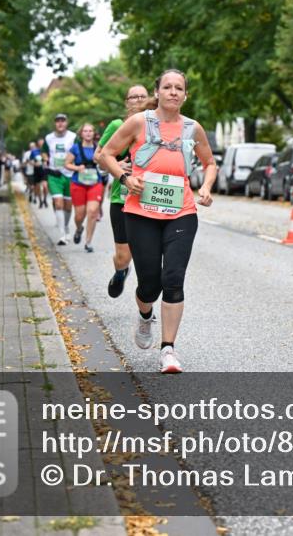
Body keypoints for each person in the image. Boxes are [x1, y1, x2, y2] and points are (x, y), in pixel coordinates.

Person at [97, 70, 216, 373]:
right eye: (168, 87)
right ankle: (145, 313)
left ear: (185, 95)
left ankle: (168, 350)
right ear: (158, 91)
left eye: (179, 88)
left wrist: (205, 186)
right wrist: (125, 177)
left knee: (173, 278)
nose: (173, 92)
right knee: (149, 284)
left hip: (182, 212)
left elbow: (209, 162)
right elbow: (107, 154)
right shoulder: (140, 122)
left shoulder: (193, 128)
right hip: (140, 212)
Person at [95, 84, 149, 297]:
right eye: (133, 97)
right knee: (124, 256)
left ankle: (147, 299)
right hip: (122, 198)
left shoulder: (156, 125)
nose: (137, 100)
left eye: (142, 96)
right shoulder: (117, 125)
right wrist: (119, 168)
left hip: (149, 198)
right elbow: (99, 156)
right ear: (127, 102)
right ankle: (121, 271)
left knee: (148, 256)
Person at [65, 123, 104, 252]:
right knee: (79, 215)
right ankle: (79, 228)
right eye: (85, 131)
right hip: (78, 183)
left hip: (95, 183)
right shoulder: (75, 148)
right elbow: (67, 164)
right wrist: (77, 168)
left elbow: (105, 162)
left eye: (90, 131)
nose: (88, 133)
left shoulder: (98, 148)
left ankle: (88, 242)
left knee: (92, 212)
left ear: (94, 133)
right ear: (81, 134)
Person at [42, 114, 77, 245]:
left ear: (66, 123)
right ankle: (62, 234)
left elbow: (77, 151)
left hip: (69, 174)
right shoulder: (49, 138)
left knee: (68, 206)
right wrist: (45, 158)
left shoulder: (73, 137)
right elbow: (44, 151)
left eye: (63, 121)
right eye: (58, 121)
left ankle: (66, 227)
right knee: (58, 203)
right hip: (54, 174)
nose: (60, 123)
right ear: (55, 124)